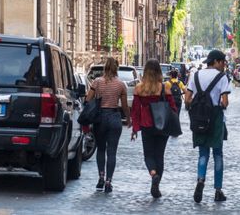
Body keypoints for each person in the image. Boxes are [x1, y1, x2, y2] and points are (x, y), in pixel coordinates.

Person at [185, 50, 231, 203]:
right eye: (223, 62)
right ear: (217, 62)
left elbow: (187, 98)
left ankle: (200, 180)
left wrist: (198, 108)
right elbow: (224, 101)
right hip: (216, 118)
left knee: (203, 154)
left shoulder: (195, 75)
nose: (224, 65)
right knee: (218, 154)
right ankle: (218, 191)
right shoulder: (222, 77)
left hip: (199, 119)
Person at [130, 60, 177, 199]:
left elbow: (135, 111)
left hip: (146, 125)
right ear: (158, 72)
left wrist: (135, 128)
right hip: (162, 125)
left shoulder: (139, 88)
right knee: (160, 156)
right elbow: (173, 108)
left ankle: (153, 174)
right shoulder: (165, 88)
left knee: (148, 155)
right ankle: (157, 183)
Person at [86, 57, 131, 194]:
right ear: (116, 68)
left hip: (100, 118)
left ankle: (101, 177)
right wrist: (129, 119)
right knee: (112, 152)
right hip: (114, 117)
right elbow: (124, 106)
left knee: (100, 149)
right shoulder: (121, 84)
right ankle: (108, 182)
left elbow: (88, 99)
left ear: (105, 67)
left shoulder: (97, 82)